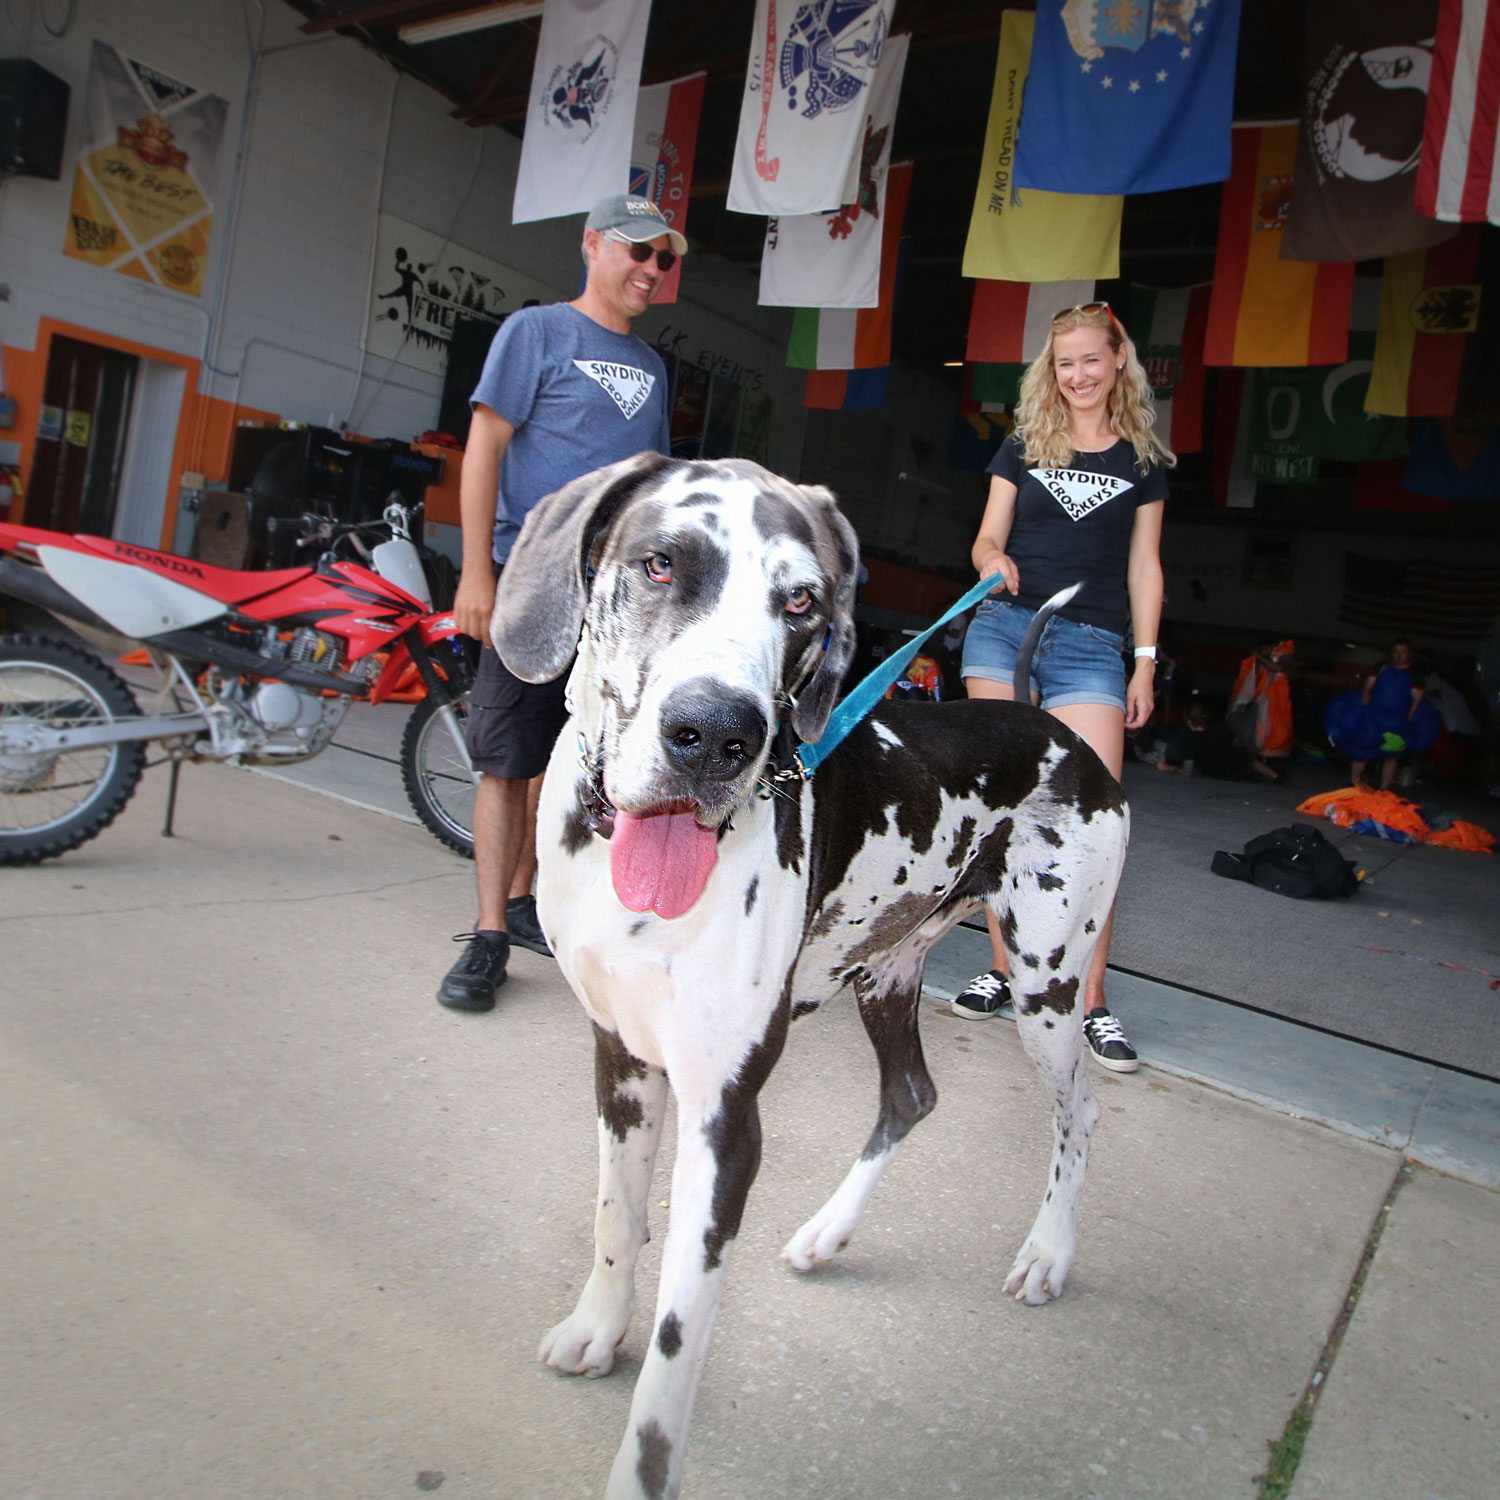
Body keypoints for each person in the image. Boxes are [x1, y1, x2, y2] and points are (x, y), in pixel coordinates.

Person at [437, 194, 683, 1012]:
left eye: (663, 260)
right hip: (531, 577)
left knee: (588, 757)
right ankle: (487, 936)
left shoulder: (651, 369)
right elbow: (485, 447)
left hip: (615, 601)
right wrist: (479, 571)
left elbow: (651, 492)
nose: (650, 270)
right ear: (593, 245)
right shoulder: (536, 333)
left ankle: (533, 898)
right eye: (637, 251)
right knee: (508, 759)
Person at [950, 301, 1170, 1073]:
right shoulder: (1023, 444)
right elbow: (987, 536)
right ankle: (1007, 970)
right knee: (1004, 810)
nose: (1077, 374)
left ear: (1117, 361)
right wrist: (988, 563)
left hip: (1093, 645)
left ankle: (1091, 998)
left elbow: (1146, 567)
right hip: (1005, 628)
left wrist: (1144, 659)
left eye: (1090, 359)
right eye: (1064, 362)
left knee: (1094, 823)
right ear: (1052, 368)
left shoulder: (1143, 458)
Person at [1324, 639, 1441, 790]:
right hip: (1373, 717)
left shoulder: (1415, 675)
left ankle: (1384, 789)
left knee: (1391, 755)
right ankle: (1353, 783)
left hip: (1397, 720)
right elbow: (1368, 688)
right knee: (1362, 749)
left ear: (1409, 654)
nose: (1399, 656)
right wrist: (1366, 712)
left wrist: (1407, 722)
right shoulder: (1382, 667)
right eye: (1396, 652)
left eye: (1403, 652)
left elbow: (1416, 701)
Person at [1228, 639, 1296, 782]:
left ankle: (1271, 771)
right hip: (1261, 704)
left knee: (1273, 735)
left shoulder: (1284, 657)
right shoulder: (1264, 662)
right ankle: (1259, 769)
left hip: (1276, 706)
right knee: (1256, 734)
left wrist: (1260, 658)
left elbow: (1279, 668)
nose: (1264, 651)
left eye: (1266, 648)